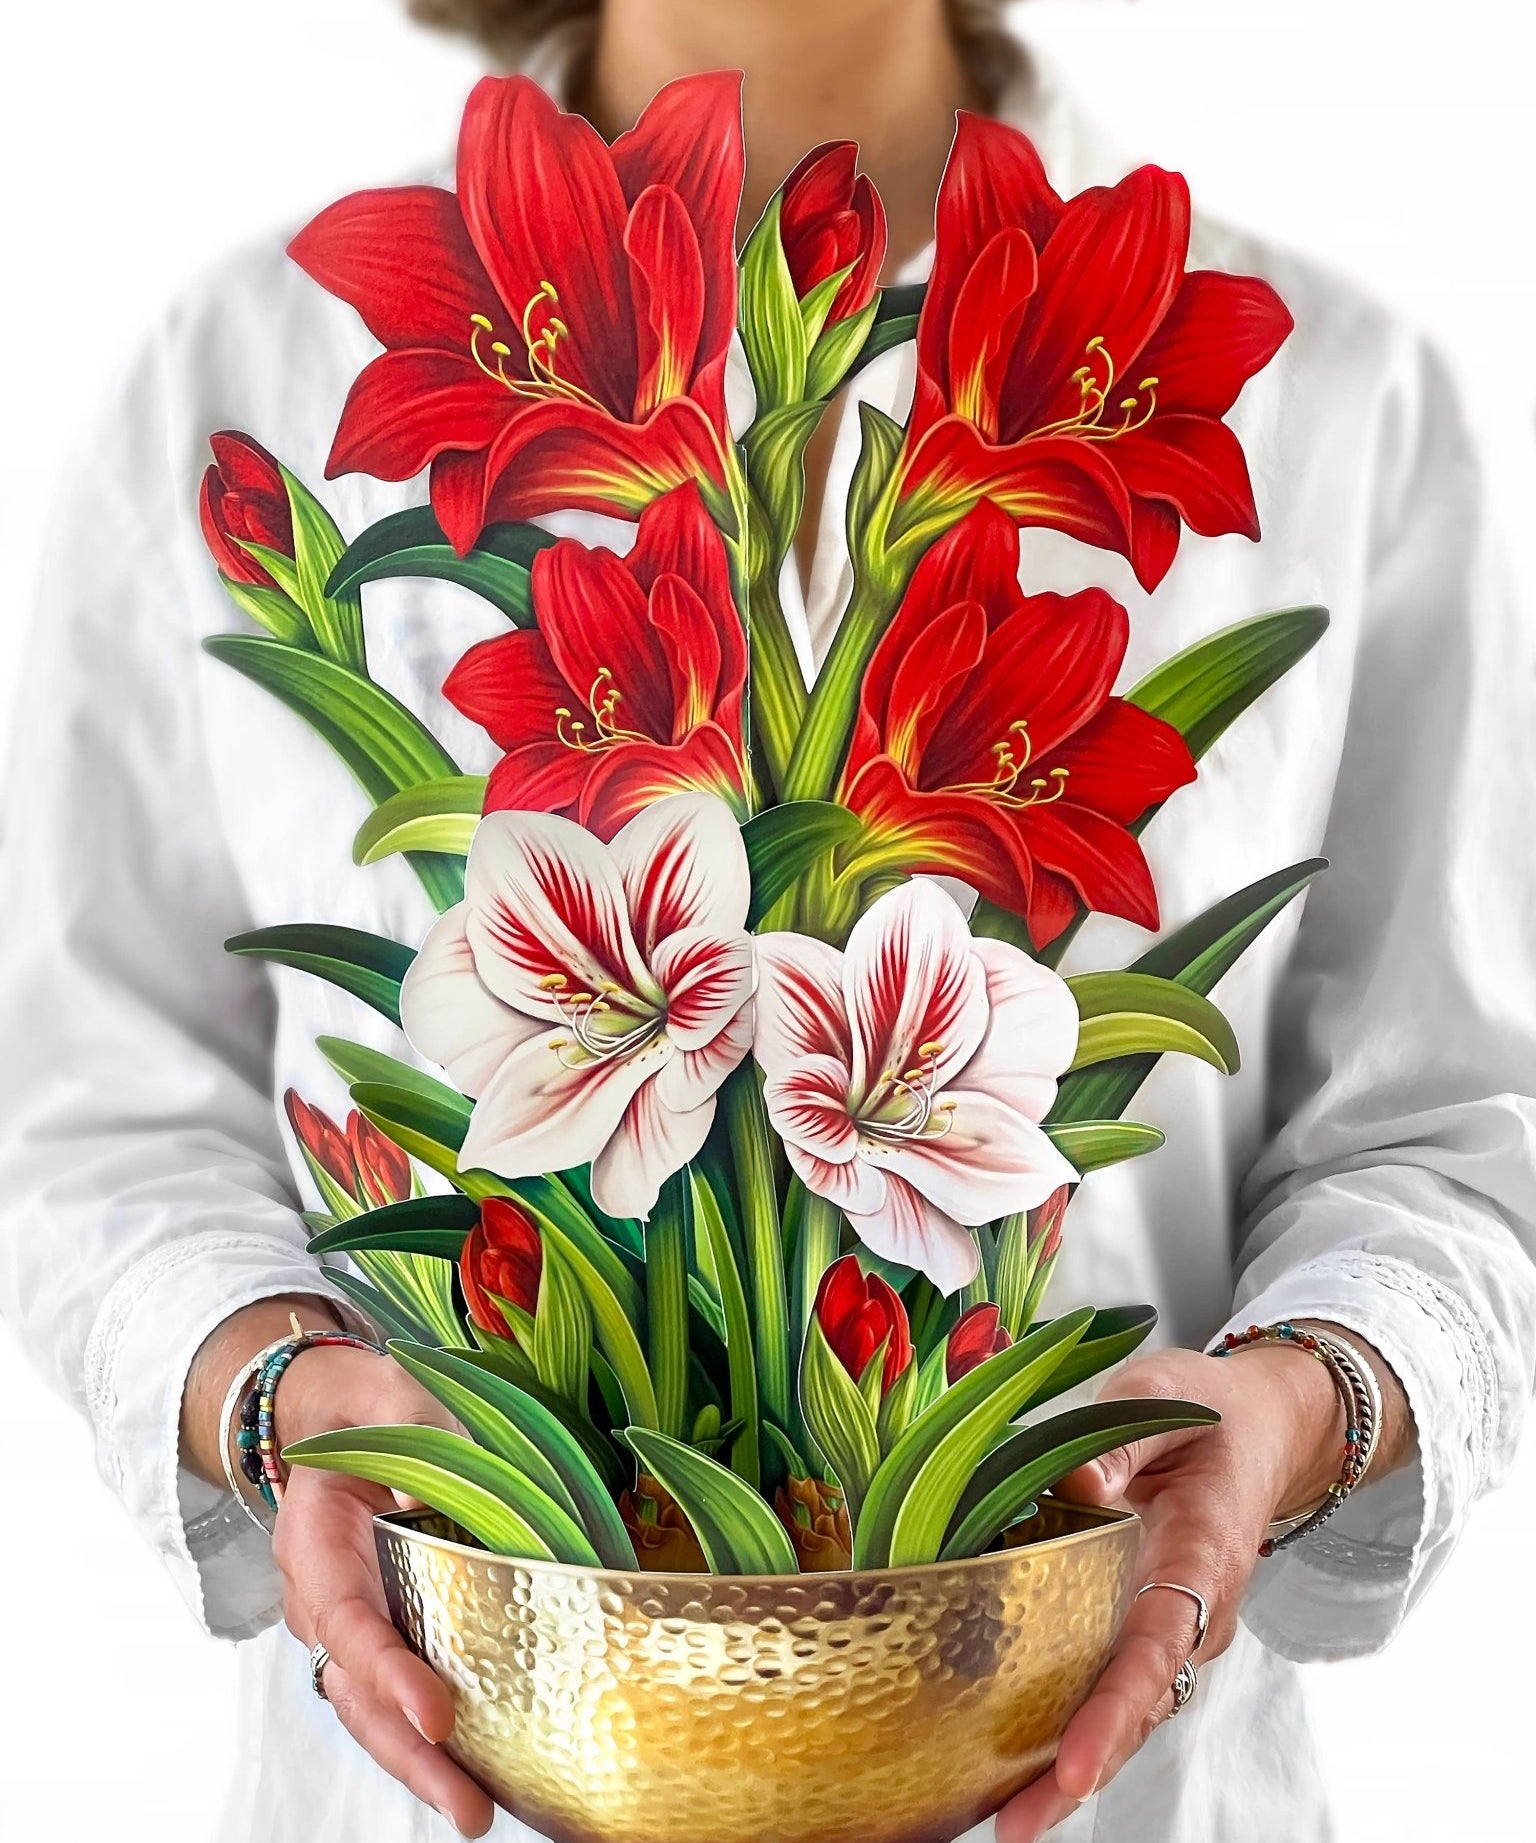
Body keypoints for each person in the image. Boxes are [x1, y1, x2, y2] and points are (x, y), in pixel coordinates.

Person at [1, 1, 1533, 1839]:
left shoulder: (1347, 404)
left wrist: (1306, 1408)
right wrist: (272, 1394)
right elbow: (87, 1108)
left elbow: (1457, 1136)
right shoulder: (235, 367)